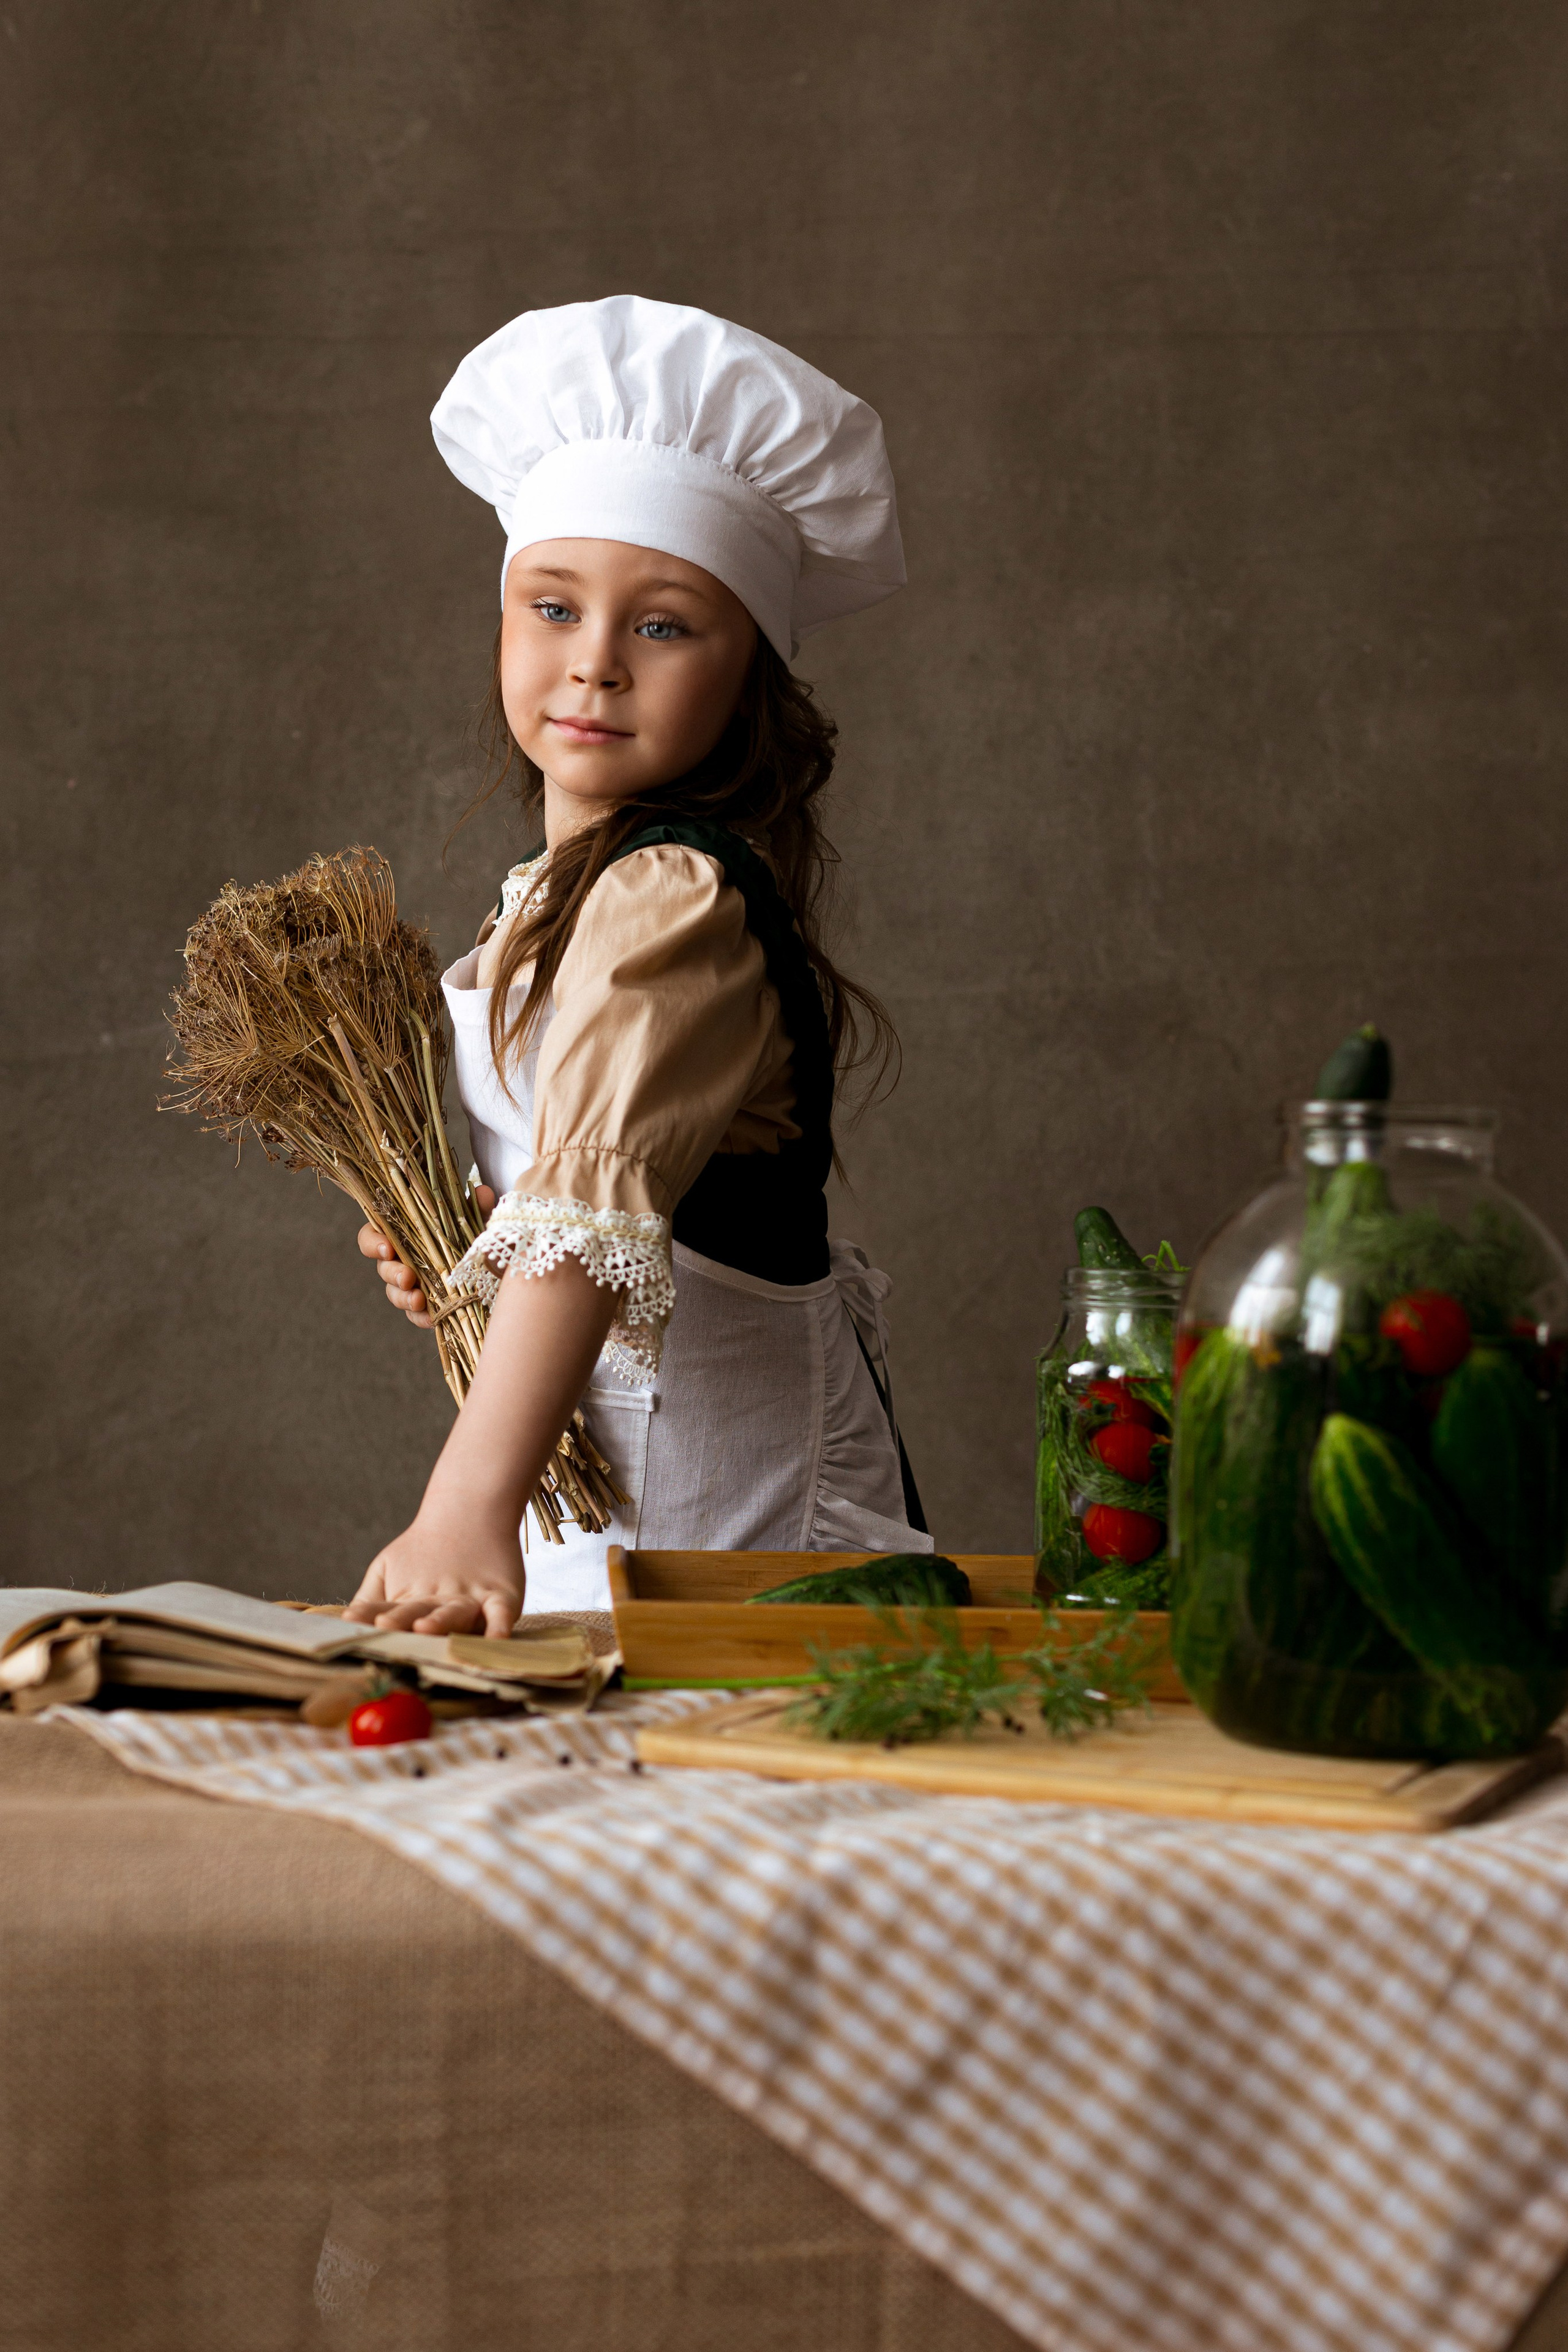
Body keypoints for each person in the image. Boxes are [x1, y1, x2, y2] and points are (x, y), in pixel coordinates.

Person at [345, 296, 930, 1638]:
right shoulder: (554, 899)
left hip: (723, 1526)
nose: (593, 662)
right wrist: (456, 1245)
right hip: (592, 1509)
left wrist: (461, 1508)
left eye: (662, 627)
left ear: (748, 677)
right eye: (551, 606)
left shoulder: (670, 901)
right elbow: (560, 1200)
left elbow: (587, 1242)